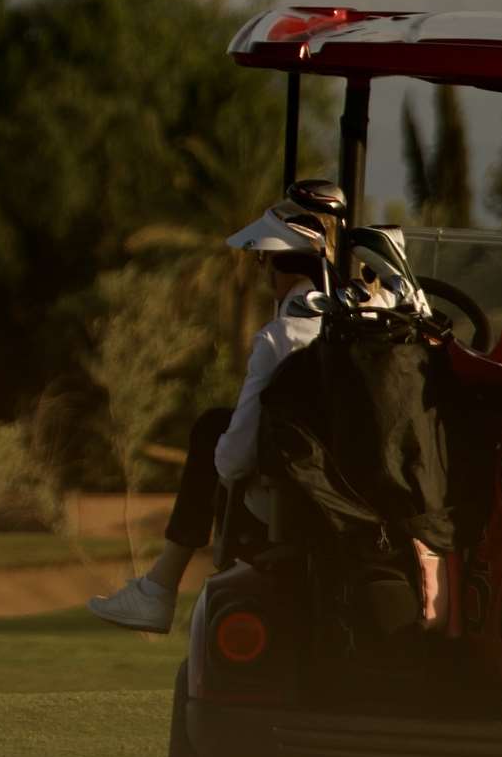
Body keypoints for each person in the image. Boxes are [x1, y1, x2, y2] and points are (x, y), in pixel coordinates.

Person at [85, 205, 334, 633]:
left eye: (263, 260)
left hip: (290, 502)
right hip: (357, 494)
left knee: (211, 429)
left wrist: (223, 448)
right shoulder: (364, 319)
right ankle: (158, 587)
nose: (261, 273)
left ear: (281, 265)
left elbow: (233, 462)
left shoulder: (281, 337)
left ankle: (161, 587)